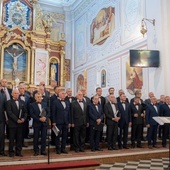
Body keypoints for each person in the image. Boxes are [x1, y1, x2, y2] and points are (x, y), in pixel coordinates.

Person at [6, 89, 27, 157]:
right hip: (12, 123)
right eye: (15, 93)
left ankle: (18, 151)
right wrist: (16, 120)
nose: (16, 94)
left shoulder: (22, 102)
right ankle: (11, 152)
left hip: (20, 123)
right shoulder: (8, 102)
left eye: (17, 93)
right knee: (11, 138)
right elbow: (9, 113)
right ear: (12, 94)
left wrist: (24, 118)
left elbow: (25, 112)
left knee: (19, 138)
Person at [52, 89, 71, 154]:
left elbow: (69, 113)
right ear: (59, 94)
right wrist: (53, 121)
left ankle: (63, 148)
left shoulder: (67, 102)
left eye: (64, 93)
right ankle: (58, 149)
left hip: (66, 122)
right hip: (58, 122)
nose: (64, 95)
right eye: (62, 93)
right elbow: (53, 113)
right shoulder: (55, 102)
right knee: (57, 136)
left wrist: (69, 122)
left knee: (65, 136)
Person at [0, 90, 7, 156]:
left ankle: (1, 151)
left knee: (2, 135)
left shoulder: (3, 95)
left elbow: (5, 107)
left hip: (1, 118)